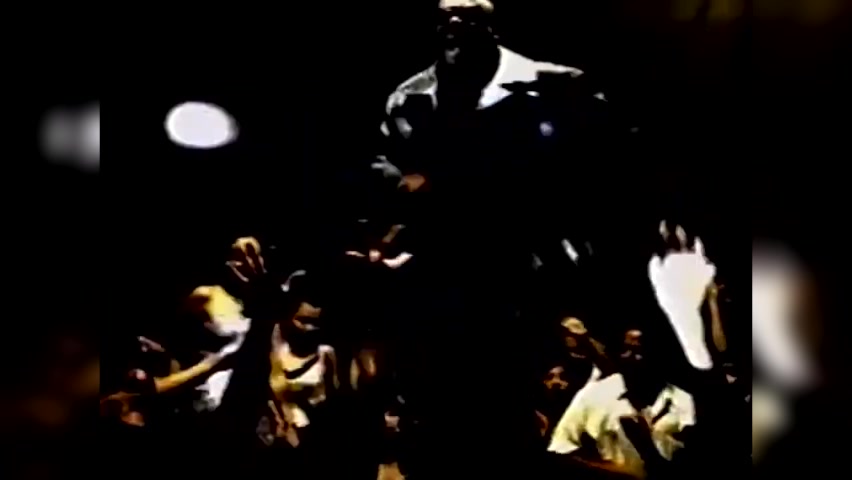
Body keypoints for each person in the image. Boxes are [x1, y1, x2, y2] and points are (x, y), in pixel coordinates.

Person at [548, 329, 696, 479]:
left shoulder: (684, 403)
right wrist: (620, 473)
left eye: (639, 351)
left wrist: (645, 445)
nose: (631, 357)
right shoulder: (592, 395)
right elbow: (560, 450)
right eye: (626, 350)